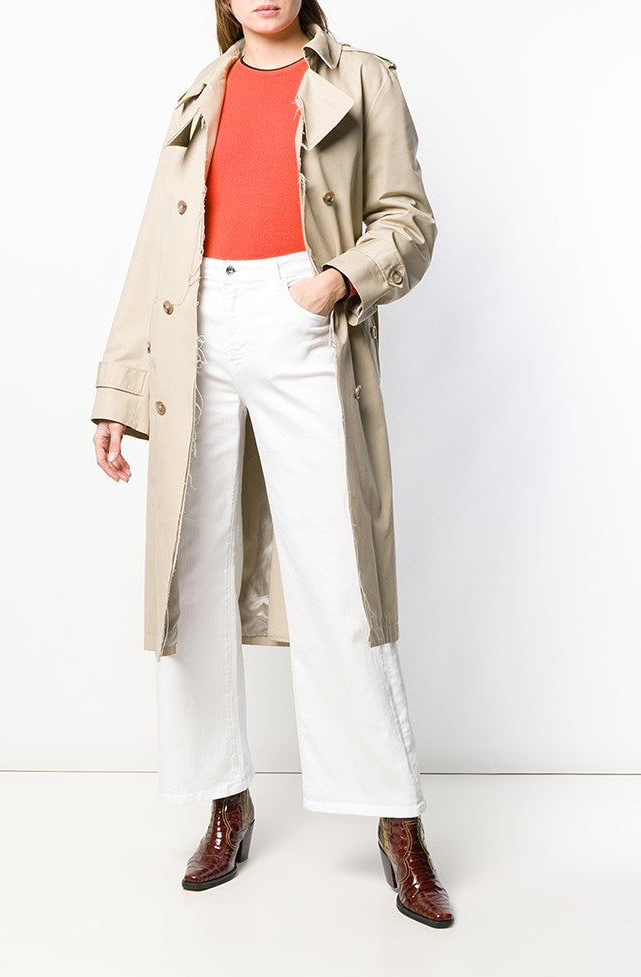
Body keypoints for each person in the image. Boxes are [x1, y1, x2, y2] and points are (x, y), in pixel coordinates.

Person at [91, 1, 453, 928]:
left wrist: (336, 281)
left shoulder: (362, 76)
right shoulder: (199, 92)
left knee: (341, 574)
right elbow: (156, 246)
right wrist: (119, 390)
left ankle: (398, 821)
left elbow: (407, 218)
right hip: (196, 323)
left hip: (302, 314)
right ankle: (225, 801)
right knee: (191, 570)